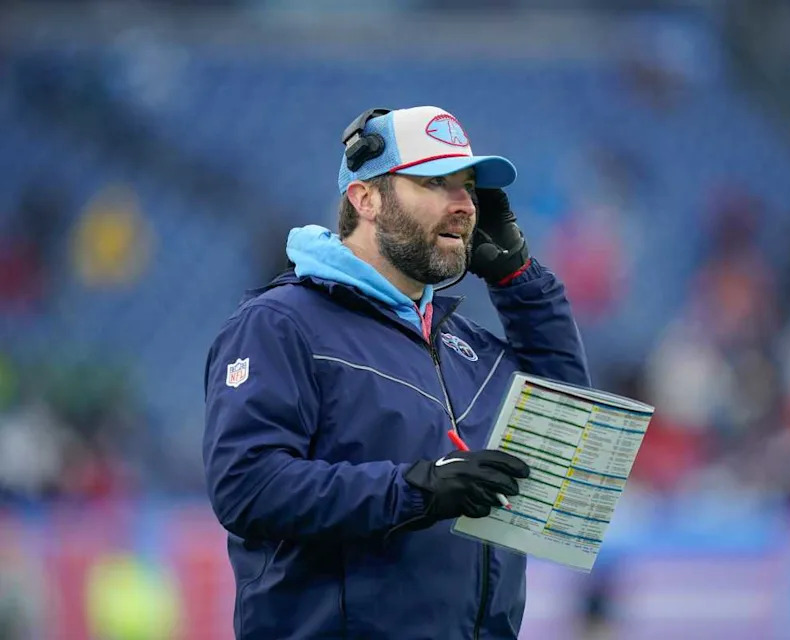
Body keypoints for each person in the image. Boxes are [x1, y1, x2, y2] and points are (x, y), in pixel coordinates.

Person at [203, 105, 590, 639]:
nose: (464, 206)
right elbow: (247, 487)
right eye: (437, 183)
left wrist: (519, 279)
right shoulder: (282, 323)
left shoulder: (460, 342)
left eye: (469, 187)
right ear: (366, 199)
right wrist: (418, 490)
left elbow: (571, 432)